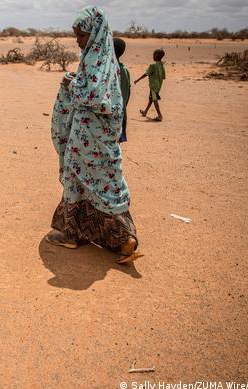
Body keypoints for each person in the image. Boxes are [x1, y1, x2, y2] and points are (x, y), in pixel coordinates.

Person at [47, 5, 141, 264]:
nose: (77, 41)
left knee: (97, 184)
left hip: (92, 139)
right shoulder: (98, 59)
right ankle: (76, 234)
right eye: (76, 35)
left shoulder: (98, 60)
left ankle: (122, 239)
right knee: (88, 181)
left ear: (95, 33)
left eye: (81, 35)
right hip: (87, 138)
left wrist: (71, 82)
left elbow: (98, 97)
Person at [134, 49, 165, 121]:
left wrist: (138, 80)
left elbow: (146, 74)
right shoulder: (162, 65)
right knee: (151, 99)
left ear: (156, 56)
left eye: (153, 55)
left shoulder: (152, 65)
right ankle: (145, 112)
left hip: (153, 86)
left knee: (154, 99)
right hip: (158, 86)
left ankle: (159, 115)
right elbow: (163, 77)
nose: (153, 56)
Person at [113, 38, 130, 142]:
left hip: (113, 115)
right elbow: (128, 92)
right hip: (122, 113)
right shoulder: (125, 70)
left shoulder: (113, 71)